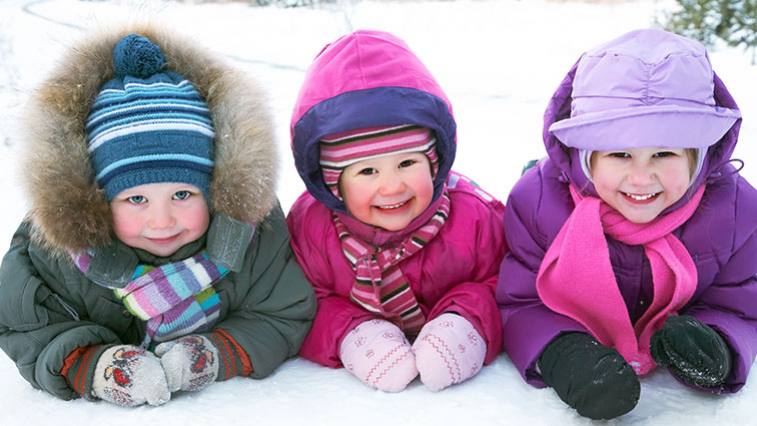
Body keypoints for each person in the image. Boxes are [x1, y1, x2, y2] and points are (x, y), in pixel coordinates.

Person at [0, 27, 316, 407]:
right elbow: (26, 324)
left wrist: (214, 353)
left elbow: (280, 312)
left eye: (183, 194)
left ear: (216, 190)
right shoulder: (54, 254)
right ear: (96, 201)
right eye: (136, 199)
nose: (163, 220)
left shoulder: (251, 237)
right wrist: (92, 364)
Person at [496, 28, 756, 419]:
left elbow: (739, 300)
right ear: (585, 156)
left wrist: (717, 344)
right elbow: (522, 300)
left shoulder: (737, 211)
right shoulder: (537, 204)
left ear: (699, 157)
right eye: (619, 154)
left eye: (664, 153)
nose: (640, 178)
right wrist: (563, 353)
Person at [287, 30, 507, 392]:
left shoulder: (473, 217)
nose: (392, 187)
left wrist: (466, 318)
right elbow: (302, 300)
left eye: (406, 163)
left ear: (435, 164)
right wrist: (351, 332)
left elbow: (504, 281)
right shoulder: (311, 227)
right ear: (332, 184)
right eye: (367, 171)